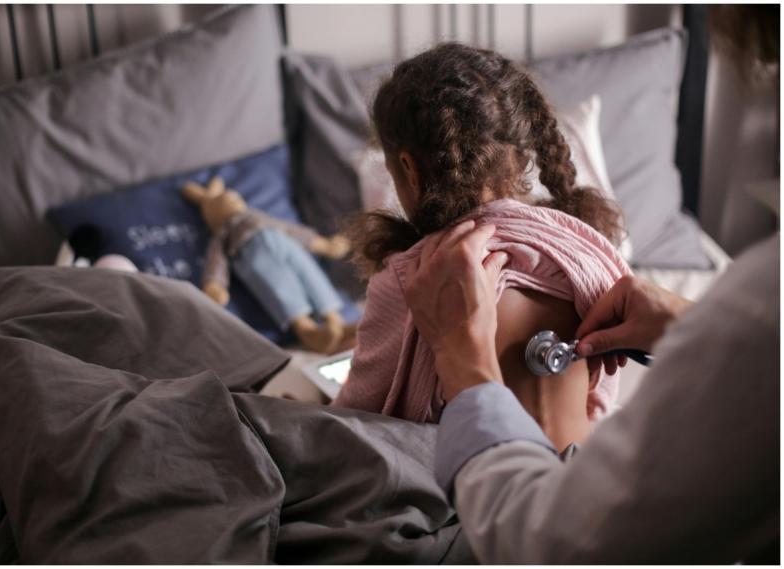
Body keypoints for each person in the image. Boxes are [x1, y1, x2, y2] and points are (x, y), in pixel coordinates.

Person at [402, 6, 780, 561]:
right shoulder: (596, 256)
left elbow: (551, 544)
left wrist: (467, 368)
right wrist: (697, 328)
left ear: (407, 171)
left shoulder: (758, 311)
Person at [332, 43, 631, 451]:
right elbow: (599, 400)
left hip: (473, 498)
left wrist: (315, 420)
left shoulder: (414, 279)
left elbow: (358, 420)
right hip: (578, 481)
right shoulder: (589, 253)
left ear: (408, 169)